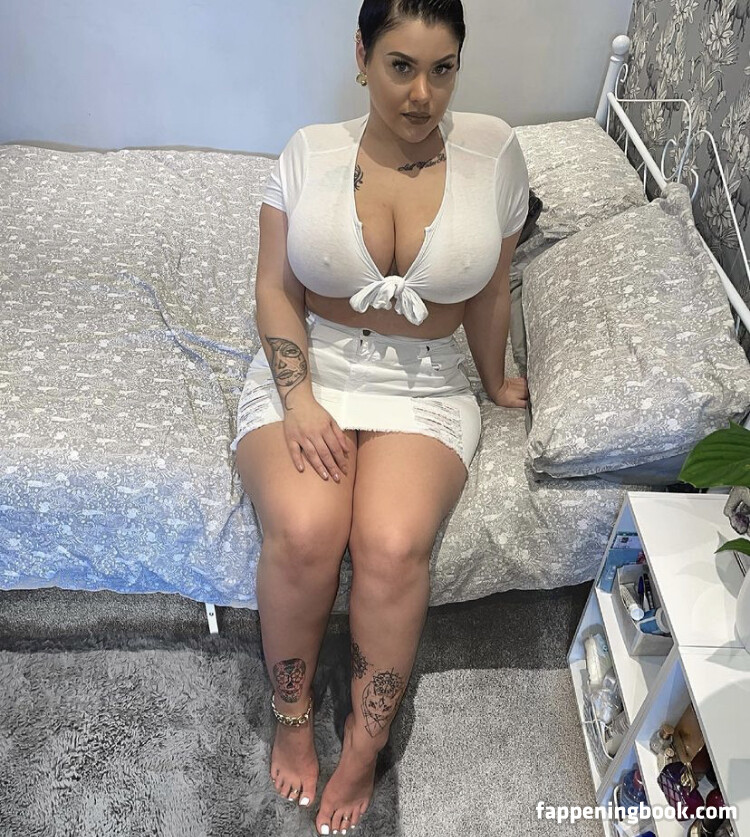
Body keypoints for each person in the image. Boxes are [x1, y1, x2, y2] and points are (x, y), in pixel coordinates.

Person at [231, 2, 530, 834]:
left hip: (425, 382)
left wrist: (497, 380)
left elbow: (492, 291)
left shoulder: (495, 153)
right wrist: (298, 400)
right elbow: (274, 291)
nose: (421, 94)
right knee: (305, 528)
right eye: (401, 66)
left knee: (393, 546)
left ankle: (364, 744)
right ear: (361, 55)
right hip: (314, 366)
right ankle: (293, 715)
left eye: (443, 69)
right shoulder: (309, 152)